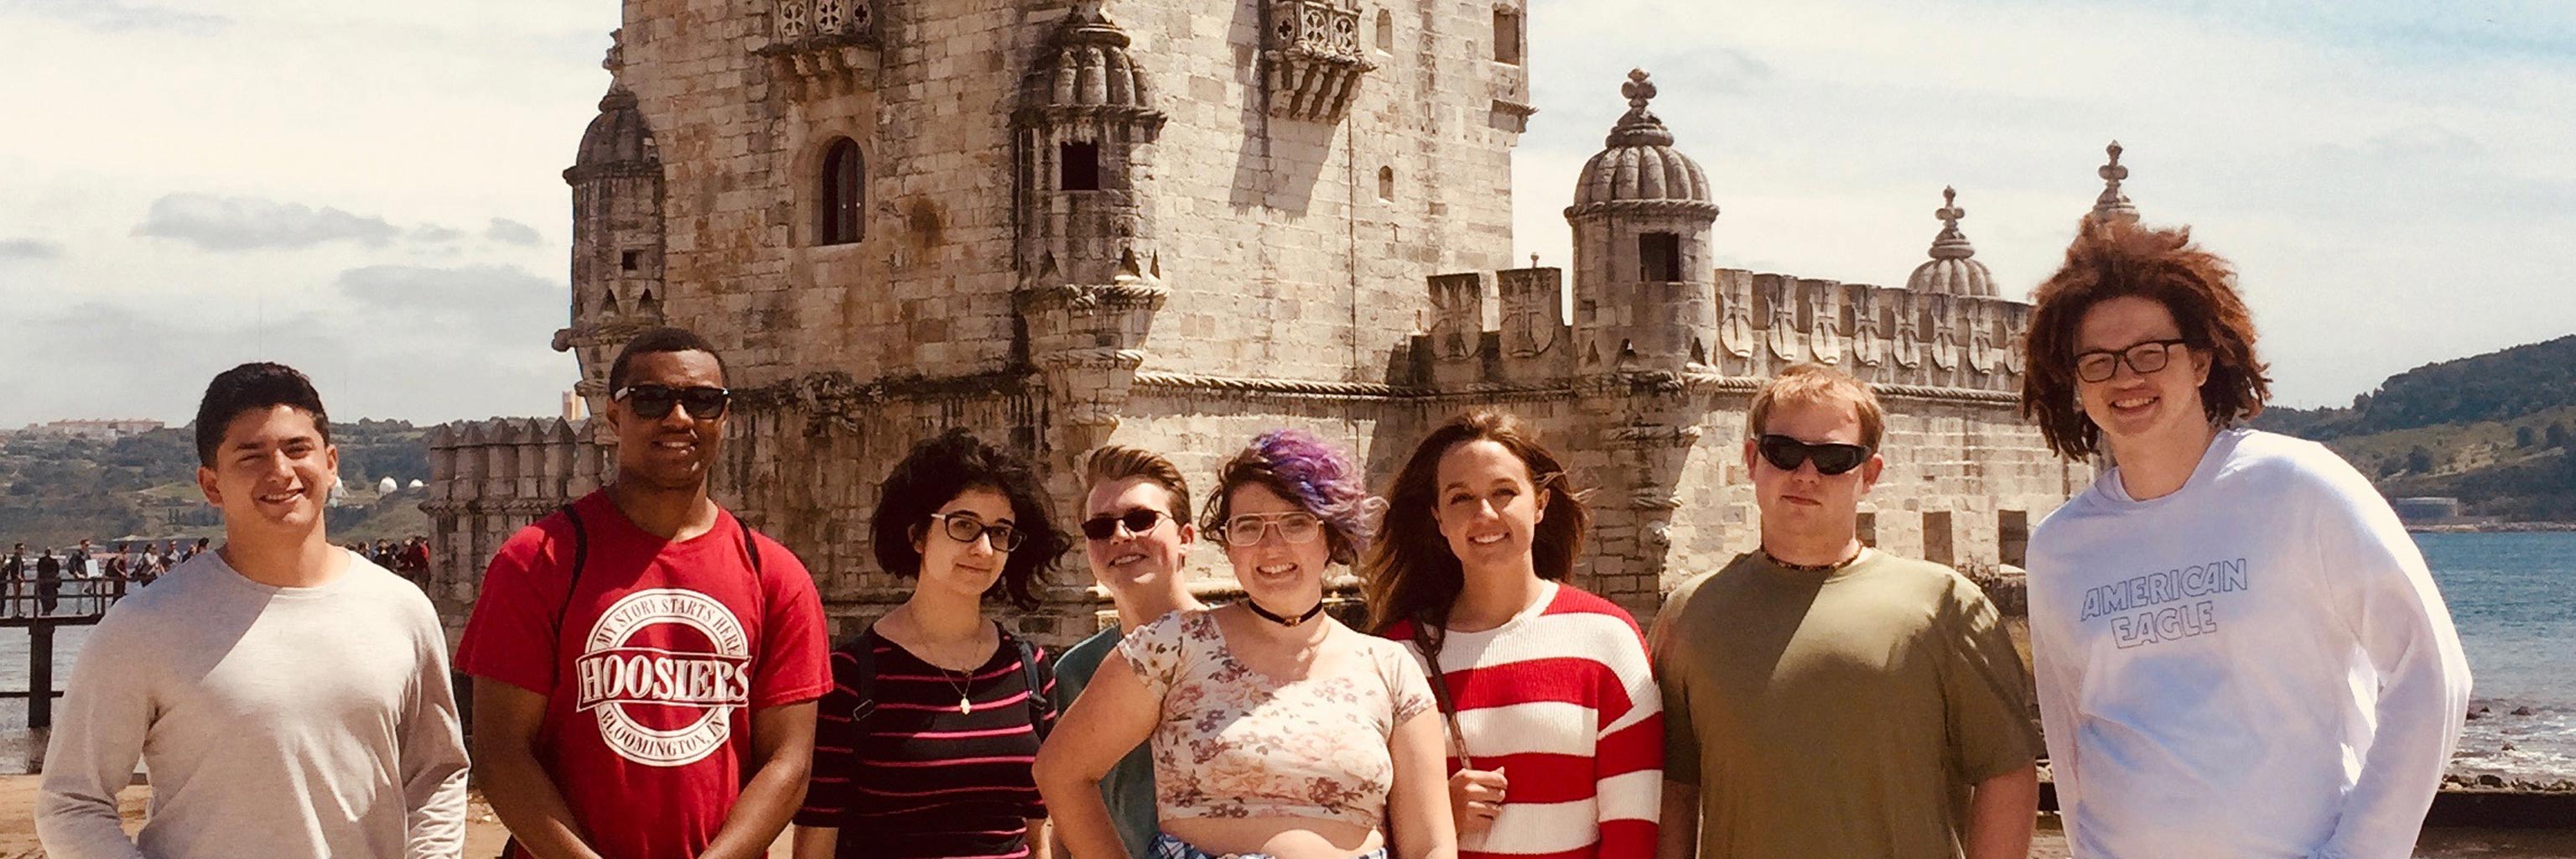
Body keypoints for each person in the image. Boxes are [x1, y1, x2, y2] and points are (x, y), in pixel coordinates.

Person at [2017, 219, 2471, 857]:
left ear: (2200, 360)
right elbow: (2070, 733)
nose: (2126, 378)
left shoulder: (2298, 487)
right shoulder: (2060, 547)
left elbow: (2431, 671)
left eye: (2152, 353)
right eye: (2098, 361)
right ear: (2075, 383)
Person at [35, 362, 470, 858]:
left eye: (296, 449)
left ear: (331, 462)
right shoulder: (146, 627)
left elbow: (436, 774)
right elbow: (71, 803)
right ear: (211, 484)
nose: (280, 471)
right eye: (251, 455)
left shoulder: (402, 609)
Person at [457, 326, 832, 859]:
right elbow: (502, 753)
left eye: (703, 401)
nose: (679, 418)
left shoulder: (776, 576)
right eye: (652, 399)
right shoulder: (537, 561)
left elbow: (788, 764)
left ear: (724, 417)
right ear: (613, 416)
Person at [1650, 364, 2039, 859]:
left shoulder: (1946, 607)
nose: (1805, 474)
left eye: (1834, 458)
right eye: (1784, 452)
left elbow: (2004, 771)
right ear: (1752, 459)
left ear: (1869, 474)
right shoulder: (1690, 616)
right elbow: (1674, 791)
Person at [1037, 429, 1457, 859]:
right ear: (1229, 546)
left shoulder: (1389, 667)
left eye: (1295, 523)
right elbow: (1062, 771)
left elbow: (1431, 844)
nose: (1271, 546)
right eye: (1249, 526)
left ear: (1331, 537)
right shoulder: (1172, 646)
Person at [1363, 410, 1661, 859]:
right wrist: (1435, 816)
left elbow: (1633, 836)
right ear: (1439, 519)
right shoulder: (1394, 655)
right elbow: (1358, 828)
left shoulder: (1607, 638)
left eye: (1504, 492)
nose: (1484, 514)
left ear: (1540, 504)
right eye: (1460, 498)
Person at [792, 428, 1073, 859]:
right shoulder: (853, 676)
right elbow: (816, 839)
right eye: (963, 525)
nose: (983, 549)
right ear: (918, 535)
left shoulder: (1031, 671)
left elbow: (1036, 831)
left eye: (1000, 532)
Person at [1045, 445, 1212, 859]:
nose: (1120, 535)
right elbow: (1066, 819)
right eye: (1100, 528)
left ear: (1186, 538)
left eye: (1141, 520)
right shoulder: (1076, 672)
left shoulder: (1241, 648)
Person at [34, 549, 60, 616]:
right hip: (49, 583)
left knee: (46, 599)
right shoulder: (53, 561)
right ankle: (47, 612)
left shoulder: (42, 561)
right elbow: (57, 572)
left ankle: (46, 611)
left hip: (45, 583)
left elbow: (39, 571)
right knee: (51, 599)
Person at [4, 542, 26, 617]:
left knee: (19, 596)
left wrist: (23, 578)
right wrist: (17, 577)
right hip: (16, 580)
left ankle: (18, 611)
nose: (22, 551)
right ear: (16, 550)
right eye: (21, 549)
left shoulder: (20, 559)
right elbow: (13, 570)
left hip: (20, 580)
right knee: (16, 596)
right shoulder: (14, 558)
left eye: (23, 549)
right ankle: (15, 612)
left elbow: (21, 570)